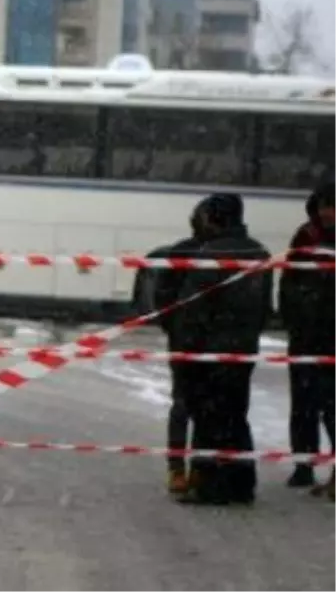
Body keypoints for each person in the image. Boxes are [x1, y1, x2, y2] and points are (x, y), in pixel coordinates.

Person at [173, 193, 270, 505]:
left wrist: (186, 349)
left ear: (213, 218)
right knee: (236, 417)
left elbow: (193, 309)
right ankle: (242, 484)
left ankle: (209, 486)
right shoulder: (259, 252)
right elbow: (264, 306)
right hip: (242, 348)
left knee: (207, 419)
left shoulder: (210, 254)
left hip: (209, 349)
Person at [145, 203, 208, 495]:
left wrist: (175, 329)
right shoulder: (221, 252)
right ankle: (195, 469)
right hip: (208, 343)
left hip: (187, 343)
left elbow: (163, 299)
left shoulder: (186, 251)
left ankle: (178, 469)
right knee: (204, 408)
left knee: (183, 405)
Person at [279, 183, 336, 494]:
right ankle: (303, 465)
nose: (327, 213)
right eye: (323, 206)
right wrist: (293, 319)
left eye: (332, 206)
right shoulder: (305, 236)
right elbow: (288, 280)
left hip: (331, 339)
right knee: (303, 405)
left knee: (332, 406)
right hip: (305, 336)